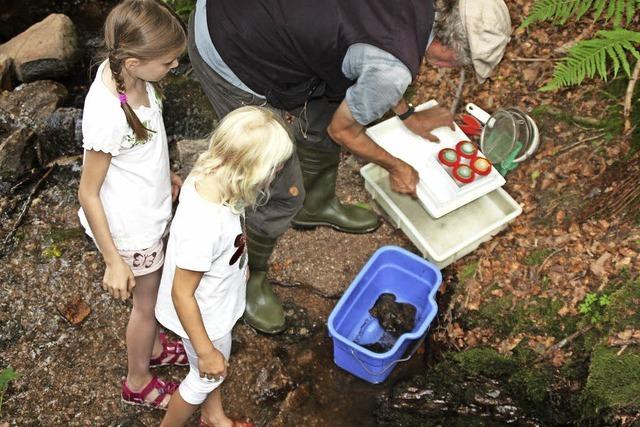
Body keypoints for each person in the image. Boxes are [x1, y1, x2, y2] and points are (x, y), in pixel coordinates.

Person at [188, 0, 512, 334]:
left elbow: (376, 57)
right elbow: (345, 127)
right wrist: (396, 166)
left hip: (263, 17)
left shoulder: (420, 10)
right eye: (463, 63)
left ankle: (315, 205)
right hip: (229, 45)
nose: (455, 69)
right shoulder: (393, 67)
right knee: (276, 183)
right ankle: (248, 279)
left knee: (329, 109)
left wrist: (406, 112)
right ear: (451, 47)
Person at [77, 0, 188, 410]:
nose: (174, 68)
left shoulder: (134, 78)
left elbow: (147, 141)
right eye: (169, 63)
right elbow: (88, 192)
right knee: (146, 304)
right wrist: (113, 260)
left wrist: (165, 173)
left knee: (152, 298)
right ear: (134, 61)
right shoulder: (107, 113)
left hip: (148, 205)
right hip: (130, 230)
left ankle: (155, 348)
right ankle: (137, 380)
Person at [155, 106, 293, 427]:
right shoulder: (205, 223)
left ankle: (214, 418)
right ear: (250, 171)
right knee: (205, 376)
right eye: (275, 167)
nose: (278, 172)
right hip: (205, 316)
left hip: (216, 297)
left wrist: (239, 265)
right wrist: (204, 350)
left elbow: (230, 230)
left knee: (214, 372)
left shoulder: (213, 175)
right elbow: (182, 293)